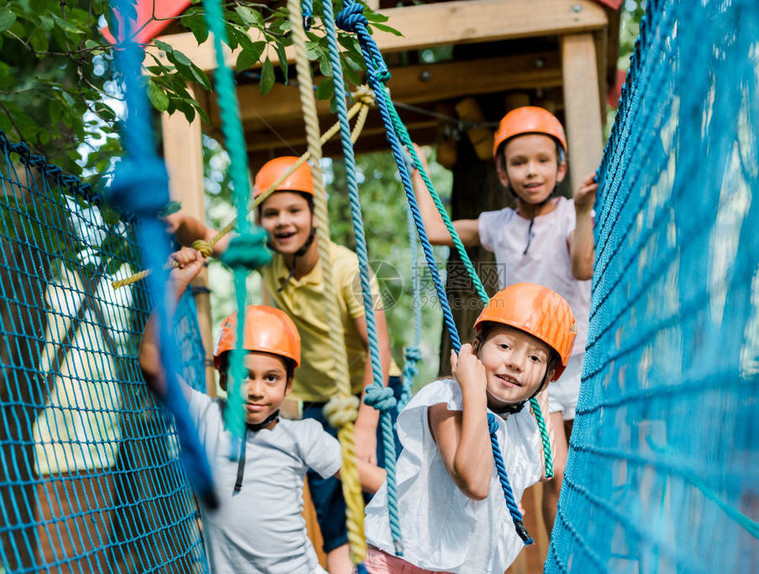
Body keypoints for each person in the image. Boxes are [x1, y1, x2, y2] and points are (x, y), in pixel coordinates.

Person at [165, 157, 402, 574]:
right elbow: (208, 238)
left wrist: (366, 425)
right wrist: (181, 221)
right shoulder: (268, 258)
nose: (283, 221)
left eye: (294, 210)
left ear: (315, 213)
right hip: (319, 402)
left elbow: (378, 345)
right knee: (336, 522)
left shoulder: (347, 269)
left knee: (384, 507)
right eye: (271, 212)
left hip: (372, 395)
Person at [138, 248, 385, 573]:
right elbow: (152, 361)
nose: (256, 389)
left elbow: (375, 481)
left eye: (271, 378)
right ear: (222, 374)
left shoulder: (303, 436)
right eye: (243, 375)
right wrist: (177, 283)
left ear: (288, 383)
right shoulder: (205, 416)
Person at [413, 106, 596, 533]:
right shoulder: (500, 224)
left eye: (542, 161)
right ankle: (560, 561)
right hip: (539, 371)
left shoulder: (572, 214)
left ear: (560, 166)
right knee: (557, 474)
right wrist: (418, 169)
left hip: (584, 361)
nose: (531, 172)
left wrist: (585, 210)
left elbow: (583, 266)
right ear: (502, 173)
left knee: (592, 472)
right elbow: (433, 228)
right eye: (519, 163)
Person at [363, 282, 576, 573]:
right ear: (475, 350)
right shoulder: (447, 400)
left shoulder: (522, 426)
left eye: (534, 358)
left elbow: (540, 468)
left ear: (549, 376)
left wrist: (542, 395)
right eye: (504, 346)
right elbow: (474, 483)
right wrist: (473, 389)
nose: (516, 363)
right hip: (404, 563)